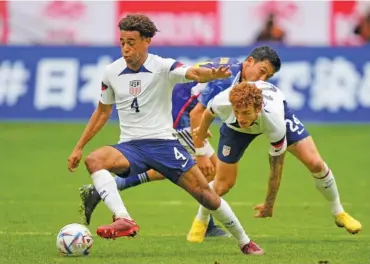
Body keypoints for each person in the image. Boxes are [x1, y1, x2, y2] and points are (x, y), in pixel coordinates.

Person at [68, 14, 264, 255]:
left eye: (131, 42)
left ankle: (245, 242)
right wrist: (79, 146)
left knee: (207, 196)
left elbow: (192, 72)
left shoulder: (162, 66)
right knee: (94, 160)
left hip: (165, 145)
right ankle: (124, 219)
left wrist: (212, 75)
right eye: (122, 42)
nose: (126, 49)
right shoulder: (111, 72)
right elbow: (101, 112)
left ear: (146, 41)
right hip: (130, 148)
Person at [187, 80, 362, 243]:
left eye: (246, 112)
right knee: (223, 184)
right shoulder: (223, 103)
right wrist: (201, 138)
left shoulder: (275, 122)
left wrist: (269, 203)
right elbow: (207, 115)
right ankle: (201, 219)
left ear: (258, 108)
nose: (241, 117)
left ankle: (339, 212)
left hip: (276, 115)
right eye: (237, 111)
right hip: (234, 131)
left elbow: (276, 169)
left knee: (315, 163)